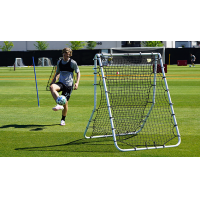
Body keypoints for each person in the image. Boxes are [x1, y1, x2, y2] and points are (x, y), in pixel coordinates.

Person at [50, 48, 80, 126]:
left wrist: (77, 83)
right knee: (52, 87)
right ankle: (58, 104)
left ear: (70, 54)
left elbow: (78, 72)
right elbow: (57, 73)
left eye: (68, 54)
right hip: (61, 83)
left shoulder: (72, 62)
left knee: (65, 104)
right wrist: (53, 81)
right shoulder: (59, 62)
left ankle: (63, 120)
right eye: (65, 54)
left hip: (69, 85)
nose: (66, 56)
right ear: (63, 54)